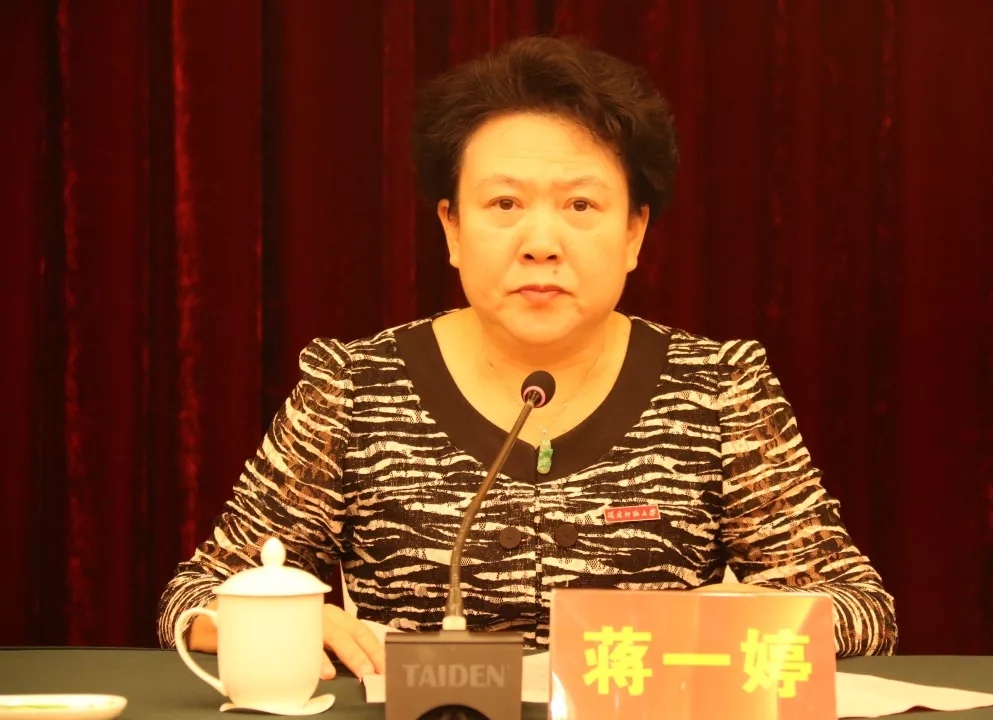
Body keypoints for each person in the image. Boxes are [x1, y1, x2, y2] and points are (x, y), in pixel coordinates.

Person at [157, 35, 898, 680]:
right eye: (504, 204)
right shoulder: (356, 387)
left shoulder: (716, 388)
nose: (541, 243)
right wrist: (277, 619)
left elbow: (862, 609)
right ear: (452, 229)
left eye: (581, 206)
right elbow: (192, 600)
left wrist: (753, 615)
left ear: (635, 232)